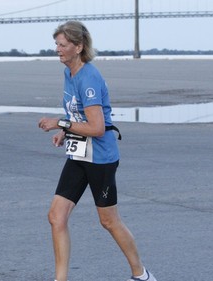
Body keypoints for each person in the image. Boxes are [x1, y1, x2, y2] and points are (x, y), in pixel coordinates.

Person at [38, 21, 157, 281]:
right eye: (56, 44)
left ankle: (142, 274)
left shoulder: (89, 77)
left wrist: (60, 123)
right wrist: (66, 131)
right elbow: (77, 116)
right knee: (56, 217)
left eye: (62, 45)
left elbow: (97, 128)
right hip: (79, 155)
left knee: (108, 221)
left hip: (100, 158)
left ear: (78, 47)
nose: (57, 49)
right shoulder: (69, 73)